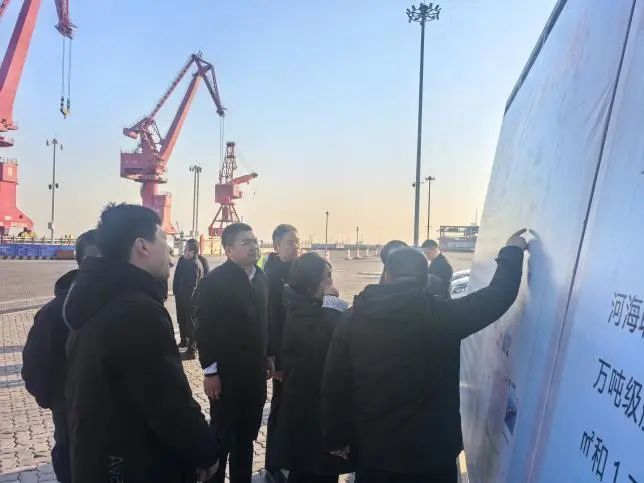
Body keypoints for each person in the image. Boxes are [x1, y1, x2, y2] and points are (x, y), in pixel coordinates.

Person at [321, 230, 528, 483]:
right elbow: (496, 297)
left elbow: (334, 383)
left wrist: (335, 437)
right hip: (432, 456)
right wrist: (512, 252)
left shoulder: (353, 318)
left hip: (374, 451)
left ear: (387, 275)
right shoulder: (442, 316)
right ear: (424, 280)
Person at [64, 203, 219, 483]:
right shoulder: (137, 312)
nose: (170, 252)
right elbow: (168, 402)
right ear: (142, 246)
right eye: (164, 239)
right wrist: (205, 450)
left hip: (99, 459)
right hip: (135, 463)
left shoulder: (96, 297)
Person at [21, 229, 100, 483]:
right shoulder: (55, 313)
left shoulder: (125, 308)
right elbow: (34, 369)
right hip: (71, 429)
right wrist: (60, 400)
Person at [196, 222, 271, 483]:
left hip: (254, 373)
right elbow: (204, 329)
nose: (253, 246)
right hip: (226, 375)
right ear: (228, 250)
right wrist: (210, 371)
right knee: (222, 436)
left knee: (246, 438)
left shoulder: (261, 278)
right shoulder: (215, 282)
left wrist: (268, 356)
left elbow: (266, 321)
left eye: (255, 241)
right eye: (245, 242)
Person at [271, 252, 353, 483]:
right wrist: (332, 306)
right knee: (310, 471)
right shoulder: (299, 308)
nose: (330, 281)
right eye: (325, 276)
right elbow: (325, 344)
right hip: (308, 409)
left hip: (318, 407)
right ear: (310, 280)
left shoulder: (310, 305)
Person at [264, 224, 300, 482]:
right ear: (277, 246)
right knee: (280, 408)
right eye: (290, 242)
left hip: (299, 351)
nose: (296, 246)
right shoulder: (271, 276)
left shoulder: (297, 271)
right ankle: (274, 464)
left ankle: (290, 460)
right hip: (282, 355)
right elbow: (270, 320)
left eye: (297, 242)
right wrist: (274, 360)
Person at [173, 238, 204, 358]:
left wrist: (187, 300)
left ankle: (192, 349)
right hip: (180, 297)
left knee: (191, 324)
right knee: (181, 320)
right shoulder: (182, 260)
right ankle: (183, 341)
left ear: (194, 252)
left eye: (188, 250)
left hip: (191, 300)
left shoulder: (195, 264)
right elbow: (176, 277)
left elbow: (193, 286)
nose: (185, 252)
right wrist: (176, 292)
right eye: (185, 249)